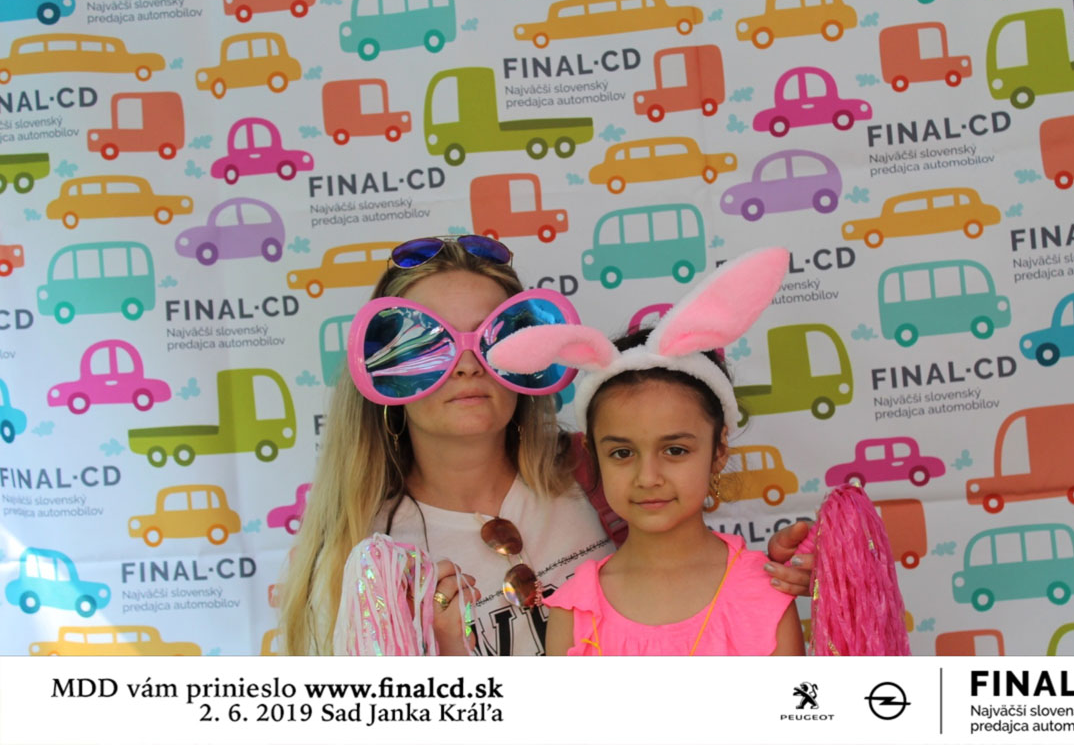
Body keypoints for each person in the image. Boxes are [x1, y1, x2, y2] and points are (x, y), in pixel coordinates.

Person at [278, 236, 814, 656]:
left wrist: (765, 582)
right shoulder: (362, 556)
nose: (466, 364)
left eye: (493, 337)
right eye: (426, 343)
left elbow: (682, 588)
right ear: (384, 369)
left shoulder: (592, 469)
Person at [489, 248, 803, 655]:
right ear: (593, 455)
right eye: (622, 453)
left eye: (675, 450)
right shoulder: (575, 608)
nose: (648, 477)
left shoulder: (766, 590)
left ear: (719, 449)